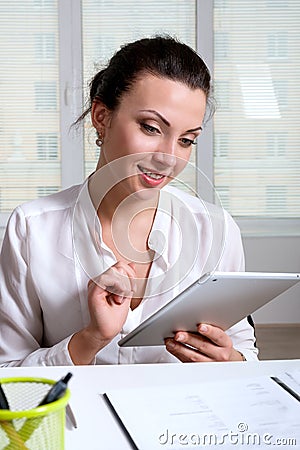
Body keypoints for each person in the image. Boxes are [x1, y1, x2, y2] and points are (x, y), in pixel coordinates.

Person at [0, 36, 258, 367]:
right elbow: (8, 378)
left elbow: (245, 355)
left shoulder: (215, 230)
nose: (168, 158)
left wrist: (230, 361)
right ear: (101, 117)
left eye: (186, 140)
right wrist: (89, 340)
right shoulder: (32, 229)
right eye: (151, 128)